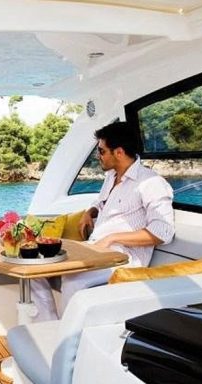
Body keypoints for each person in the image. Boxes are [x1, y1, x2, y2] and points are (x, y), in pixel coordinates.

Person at [30, 121, 175, 321]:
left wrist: (112, 238)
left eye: (101, 151)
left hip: (124, 259)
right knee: (34, 268)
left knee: (72, 280)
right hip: (95, 249)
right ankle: (50, 326)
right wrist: (89, 212)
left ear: (119, 152)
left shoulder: (151, 183)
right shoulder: (111, 176)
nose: (98, 156)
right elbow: (101, 202)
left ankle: (68, 336)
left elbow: (163, 232)